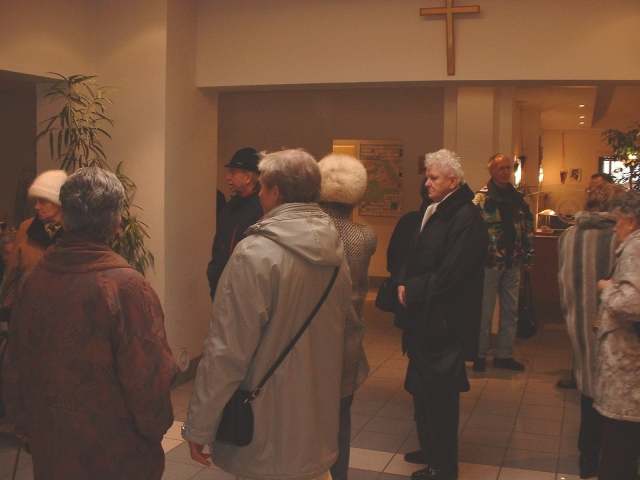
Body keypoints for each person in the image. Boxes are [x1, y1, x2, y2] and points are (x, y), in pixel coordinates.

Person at [183, 149, 352, 480]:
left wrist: (200, 425)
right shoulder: (336, 251)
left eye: (262, 187)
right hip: (315, 425)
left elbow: (227, 350)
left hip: (266, 426)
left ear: (276, 191)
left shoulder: (255, 253)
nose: (259, 195)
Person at [2, 166, 177, 479]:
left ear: (66, 216)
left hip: (52, 448)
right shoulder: (126, 287)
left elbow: (16, 361)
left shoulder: (36, 279)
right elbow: (148, 378)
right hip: (115, 454)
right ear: (115, 221)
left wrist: (26, 427)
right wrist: (155, 428)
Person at [397, 149, 488, 480]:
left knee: (440, 398)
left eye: (433, 178)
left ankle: (443, 466)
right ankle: (429, 449)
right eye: (427, 176)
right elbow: (417, 254)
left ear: (453, 181)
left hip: (444, 323)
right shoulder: (435, 208)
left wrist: (413, 289)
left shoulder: (466, 216)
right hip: (425, 321)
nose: (427, 183)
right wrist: (404, 281)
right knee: (422, 391)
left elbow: (453, 272)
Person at [557, 181, 622, 478]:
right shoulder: (617, 237)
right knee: (609, 396)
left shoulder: (568, 235)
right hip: (611, 326)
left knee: (586, 391)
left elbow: (562, 279)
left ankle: (586, 459)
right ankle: (607, 460)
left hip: (578, 321)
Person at [318, 153, 376, 480]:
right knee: (341, 418)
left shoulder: (311, 233)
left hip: (314, 339)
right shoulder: (365, 236)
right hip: (348, 339)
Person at [473, 154, 534, 372]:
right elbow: (472, 231)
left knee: (510, 311)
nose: (506, 172)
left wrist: (528, 255)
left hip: (513, 261)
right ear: (492, 171)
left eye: (509, 168)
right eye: (501, 168)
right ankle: (479, 354)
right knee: (485, 311)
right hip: (490, 262)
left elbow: (527, 227)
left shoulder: (518, 198)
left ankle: (504, 355)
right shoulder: (481, 198)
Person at [594, 190, 640, 480]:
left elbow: (632, 302)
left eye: (617, 222)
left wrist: (606, 288)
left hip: (627, 366)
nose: (614, 229)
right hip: (628, 367)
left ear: (631, 221)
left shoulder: (635, 247)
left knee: (618, 454)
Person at [0, 170, 67, 316]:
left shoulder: (74, 232)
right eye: (36, 201)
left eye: (43, 202)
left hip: (62, 313)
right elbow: (11, 274)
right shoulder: (26, 228)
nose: (36, 207)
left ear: (59, 203)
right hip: (27, 311)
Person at [206, 147, 263, 300]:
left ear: (248, 177)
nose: (227, 178)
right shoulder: (230, 206)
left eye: (232, 172)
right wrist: (213, 275)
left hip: (244, 293)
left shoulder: (261, 209)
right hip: (221, 290)